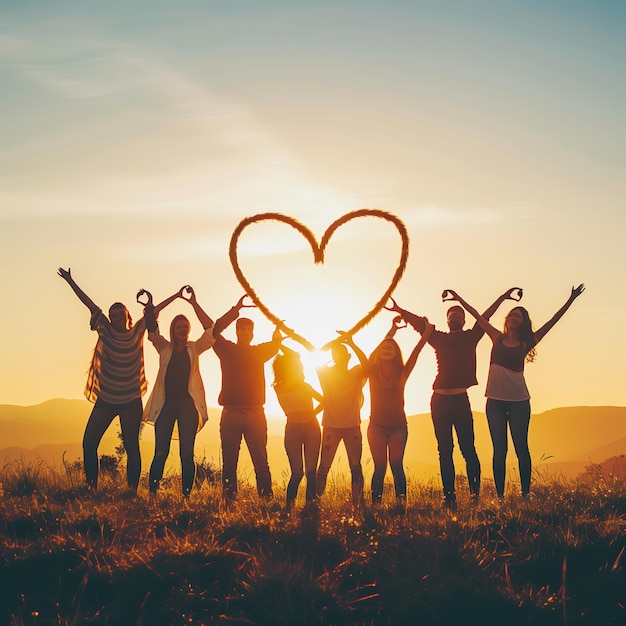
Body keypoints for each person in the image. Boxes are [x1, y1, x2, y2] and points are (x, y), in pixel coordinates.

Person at [445, 285, 585, 498]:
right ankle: (500, 496)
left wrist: (571, 299)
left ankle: (525, 494)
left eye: (518, 316)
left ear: (523, 323)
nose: (514, 318)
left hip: (519, 402)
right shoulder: (496, 337)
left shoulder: (527, 342)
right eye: (512, 315)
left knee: (521, 447)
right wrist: (459, 298)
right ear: (508, 319)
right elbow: (477, 314)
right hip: (495, 402)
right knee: (499, 450)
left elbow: (552, 322)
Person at [389, 288, 523, 508]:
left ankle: (474, 496)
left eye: (458, 315)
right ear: (447, 319)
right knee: (445, 450)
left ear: (463, 320)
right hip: (439, 401)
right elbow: (419, 325)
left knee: (468, 449)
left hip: (460, 400)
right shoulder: (437, 338)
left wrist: (502, 297)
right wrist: (399, 310)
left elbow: (485, 316)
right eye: (451, 315)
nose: (455, 317)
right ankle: (449, 498)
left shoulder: (471, 337)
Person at [57, 267, 180, 492]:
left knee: (132, 446)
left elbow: (155, 311)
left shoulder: (137, 332)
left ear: (127, 316)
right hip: (107, 398)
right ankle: (91, 488)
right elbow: (89, 303)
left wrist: (176, 296)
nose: (115, 317)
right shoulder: (104, 328)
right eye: (112, 315)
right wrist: (70, 280)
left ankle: (131, 492)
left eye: (119, 314)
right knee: (89, 442)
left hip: (130, 400)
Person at [142, 286, 215, 497]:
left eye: (185, 326)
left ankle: (186, 497)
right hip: (165, 405)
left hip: (187, 406)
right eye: (178, 326)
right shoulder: (164, 347)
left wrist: (193, 303)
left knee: (186, 454)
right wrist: (171, 297)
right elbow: (151, 325)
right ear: (173, 329)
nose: (182, 329)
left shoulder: (195, 348)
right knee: (160, 452)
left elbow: (211, 330)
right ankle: (152, 495)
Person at [212, 296, 282, 501]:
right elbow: (214, 330)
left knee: (261, 462)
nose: (246, 333)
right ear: (237, 332)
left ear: (252, 333)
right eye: (242, 329)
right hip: (231, 413)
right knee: (229, 463)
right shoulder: (227, 350)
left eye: (249, 330)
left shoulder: (258, 352)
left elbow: (275, 344)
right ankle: (228, 502)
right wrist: (236, 310)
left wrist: (276, 326)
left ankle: (266, 501)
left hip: (255, 414)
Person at [366, 315, 433, 505]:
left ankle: (401, 506)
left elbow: (417, 350)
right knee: (380, 467)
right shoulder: (372, 371)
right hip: (376, 426)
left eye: (391, 348)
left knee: (396, 465)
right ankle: (375, 506)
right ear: (379, 352)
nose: (386, 350)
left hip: (398, 427)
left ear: (396, 353)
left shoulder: (402, 372)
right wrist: (392, 331)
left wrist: (426, 332)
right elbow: (380, 347)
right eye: (384, 348)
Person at [316, 332, 368, 506]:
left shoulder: (356, 373)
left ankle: (358, 503)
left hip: (351, 425)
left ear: (348, 357)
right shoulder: (326, 374)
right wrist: (335, 342)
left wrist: (350, 343)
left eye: (341, 355)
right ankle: (314, 501)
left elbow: (367, 366)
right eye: (335, 355)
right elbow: (316, 357)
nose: (338, 358)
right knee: (324, 467)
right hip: (332, 425)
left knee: (355, 466)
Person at [272, 345, 323, 510]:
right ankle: (289, 508)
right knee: (299, 472)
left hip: (310, 428)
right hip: (295, 429)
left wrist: (312, 413)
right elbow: (294, 355)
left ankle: (309, 507)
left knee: (309, 472)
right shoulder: (281, 386)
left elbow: (324, 400)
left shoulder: (298, 385)